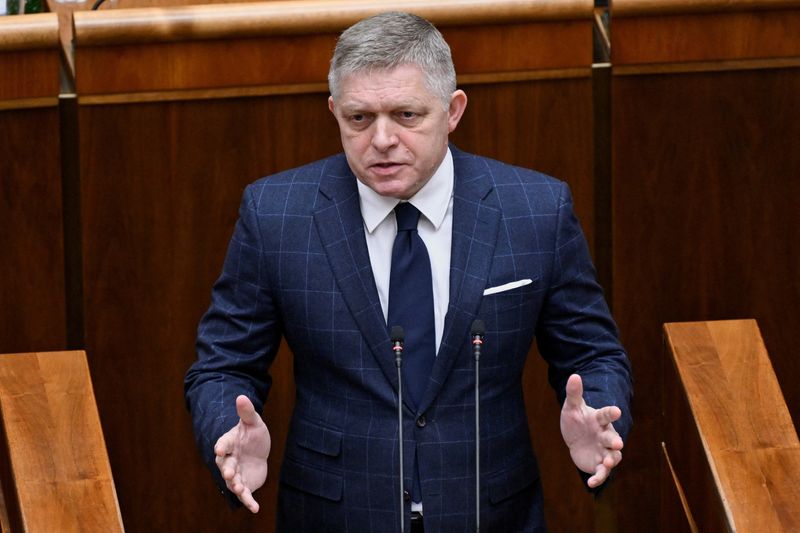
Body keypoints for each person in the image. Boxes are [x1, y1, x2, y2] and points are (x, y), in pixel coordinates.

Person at [185, 11, 632, 532]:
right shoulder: (276, 214)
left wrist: (601, 414)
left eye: (406, 115)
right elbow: (222, 365)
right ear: (334, 112)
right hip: (336, 516)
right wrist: (225, 432)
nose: (381, 139)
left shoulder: (534, 209)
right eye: (359, 118)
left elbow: (592, 352)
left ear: (453, 110)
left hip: (491, 513)